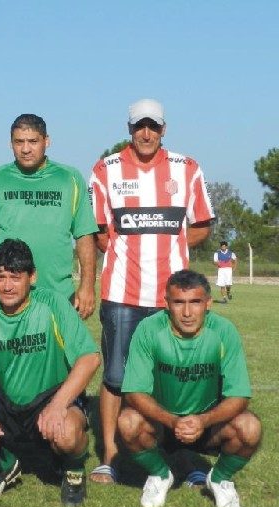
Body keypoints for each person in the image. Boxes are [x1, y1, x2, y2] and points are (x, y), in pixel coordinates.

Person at [89, 98, 214, 484]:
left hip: (172, 299)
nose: (146, 133)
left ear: (164, 129)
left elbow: (201, 224)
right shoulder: (106, 169)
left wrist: (171, 246)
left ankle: (184, 458)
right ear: (129, 129)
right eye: (139, 126)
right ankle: (110, 457)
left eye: (153, 126)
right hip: (122, 295)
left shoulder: (187, 168)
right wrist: (130, 252)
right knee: (115, 376)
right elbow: (98, 232)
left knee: (179, 377)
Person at [0, 239, 100, 507]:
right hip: (7, 402)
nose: (7, 286)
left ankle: (73, 472)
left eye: (15, 278)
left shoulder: (52, 304)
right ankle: (5, 464)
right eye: (0, 277)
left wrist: (58, 405)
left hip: (51, 397)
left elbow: (90, 358)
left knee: (67, 434)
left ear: (32, 276)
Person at [118, 270, 261, 507]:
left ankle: (220, 479)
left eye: (195, 302)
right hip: (163, 423)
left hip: (208, 423)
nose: (187, 312)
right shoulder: (149, 329)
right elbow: (134, 392)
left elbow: (239, 395)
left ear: (208, 303)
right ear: (166, 303)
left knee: (250, 427)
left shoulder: (224, 331)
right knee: (128, 422)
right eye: (178, 302)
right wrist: (173, 421)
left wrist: (203, 420)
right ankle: (160, 475)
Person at [0, 113, 98, 318]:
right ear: (10, 144)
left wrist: (87, 286)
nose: (26, 149)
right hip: (7, 298)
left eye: (33, 141)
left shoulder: (69, 179)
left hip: (59, 296)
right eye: (19, 142)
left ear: (46, 141)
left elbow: (84, 235)